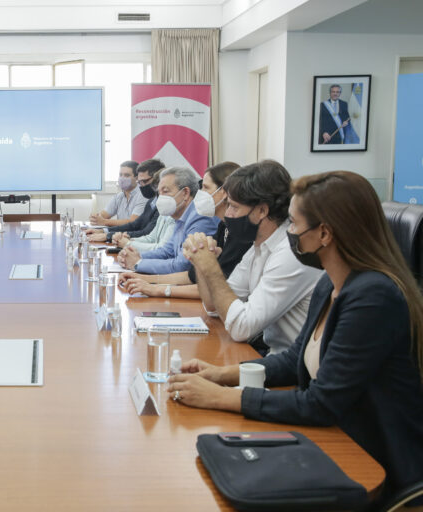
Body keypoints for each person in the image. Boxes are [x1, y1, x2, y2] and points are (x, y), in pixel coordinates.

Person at [168, 171, 423, 507]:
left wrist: (220, 397)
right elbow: (294, 360)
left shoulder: (374, 297)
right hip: (335, 438)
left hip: (374, 461)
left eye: (294, 223)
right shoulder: (329, 284)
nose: (288, 232)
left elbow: (320, 403)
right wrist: (220, 375)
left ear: (325, 233)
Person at [183, 160, 322, 354]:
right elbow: (214, 307)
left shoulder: (290, 252)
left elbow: (241, 327)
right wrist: (200, 259)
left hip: (292, 366)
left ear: (262, 211)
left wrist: (210, 267)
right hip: (274, 358)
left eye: (233, 207)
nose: (228, 214)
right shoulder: (259, 246)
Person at [120, 161, 249, 300]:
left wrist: (154, 286)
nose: (200, 193)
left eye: (205, 188)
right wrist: (140, 274)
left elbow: (186, 267)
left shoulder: (204, 218)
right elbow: (190, 272)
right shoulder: (222, 227)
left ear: (224, 193)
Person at [117, 166, 218, 275]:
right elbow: (166, 251)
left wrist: (138, 263)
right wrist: (134, 256)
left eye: (165, 191)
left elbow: (182, 266)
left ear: (185, 193)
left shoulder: (200, 217)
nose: (160, 198)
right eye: (159, 193)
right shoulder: (179, 216)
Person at [86, 159, 164, 244]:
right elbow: (134, 225)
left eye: (145, 181)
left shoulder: (161, 205)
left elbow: (146, 233)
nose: (142, 185)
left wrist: (108, 236)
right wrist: (104, 231)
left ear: (158, 180)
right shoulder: (151, 202)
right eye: (140, 182)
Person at [89, 161, 147, 227]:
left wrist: (104, 221)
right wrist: (95, 218)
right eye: (120, 175)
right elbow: (104, 215)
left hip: (135, 235)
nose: (122, 178)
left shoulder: (143, 195)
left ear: (136, 178)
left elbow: (133, 222)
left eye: (126, 175)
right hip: (119, 234)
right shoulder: (119, 196)